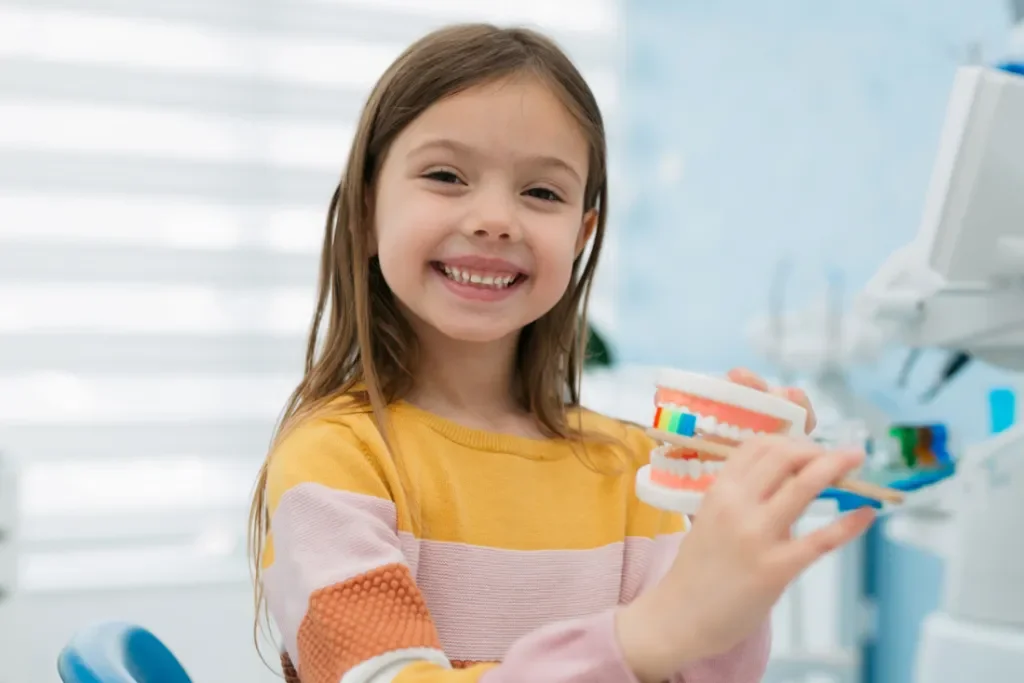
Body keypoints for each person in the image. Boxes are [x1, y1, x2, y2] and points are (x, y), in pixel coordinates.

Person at [248, 23, 875, 683]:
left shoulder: (631, 468)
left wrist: (733, 565)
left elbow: (700, 674)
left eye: (541, 192)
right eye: (445, 175)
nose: (495, 217)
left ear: (582, 234)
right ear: (367, 209)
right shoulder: (336, 462)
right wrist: (646, 634)